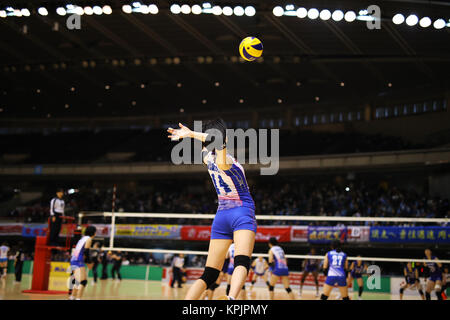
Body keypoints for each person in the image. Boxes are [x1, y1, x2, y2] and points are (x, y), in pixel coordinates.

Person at [168, 119, 257, 300]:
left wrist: (193, 135)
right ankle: (232, 299)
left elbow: (208, 144)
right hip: (241, 211)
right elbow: (217, 141)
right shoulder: (225, 159)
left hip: (221, 216)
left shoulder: (206, 157)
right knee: (242, 262)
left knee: (209, 274)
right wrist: (192, 134)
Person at [69, 225, 96, 300]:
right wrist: (89, 263)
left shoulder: (82, 238)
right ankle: (78, 298)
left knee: (77, 280)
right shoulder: (89, 239)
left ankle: (72, 297)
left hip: (74, 260)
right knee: (83, 281)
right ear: (93, 233)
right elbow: (86, 252)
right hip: (78, 260)